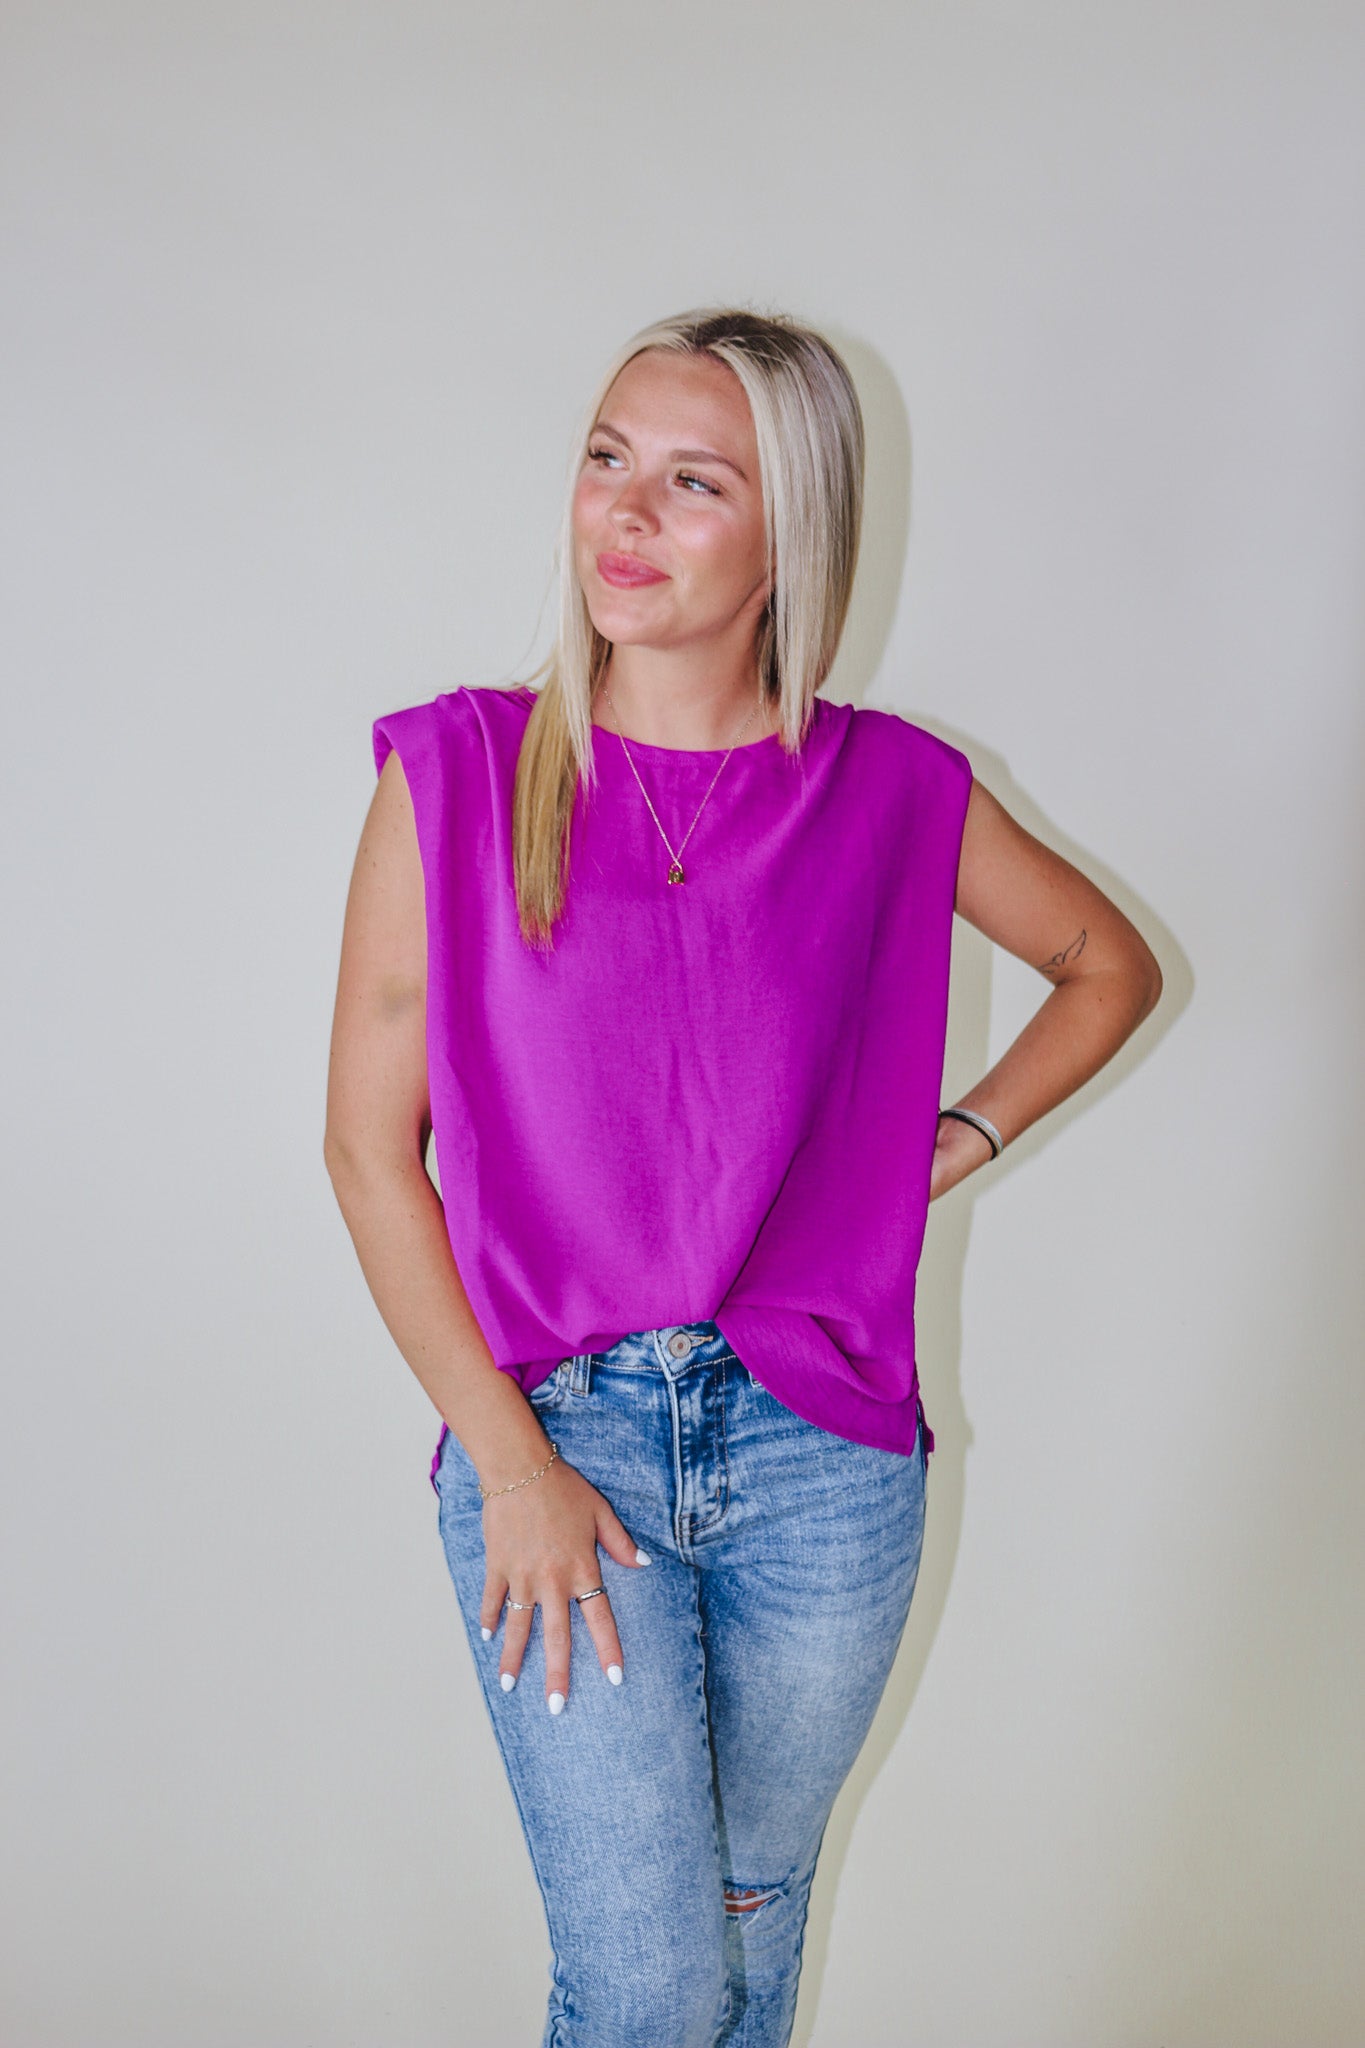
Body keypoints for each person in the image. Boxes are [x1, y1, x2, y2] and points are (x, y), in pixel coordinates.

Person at [324, 306, 1163, 2048]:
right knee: (644, 1983)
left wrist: (951, 1145)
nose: (624, 514)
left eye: (693, 483)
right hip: (559, 1437)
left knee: (748, 1921)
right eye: (606, 460)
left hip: (820, 1450)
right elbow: (364, 1151)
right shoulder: (459, 773)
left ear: (794, 537)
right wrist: (513, 1468)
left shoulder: (892, 788)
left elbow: (1105, 966)